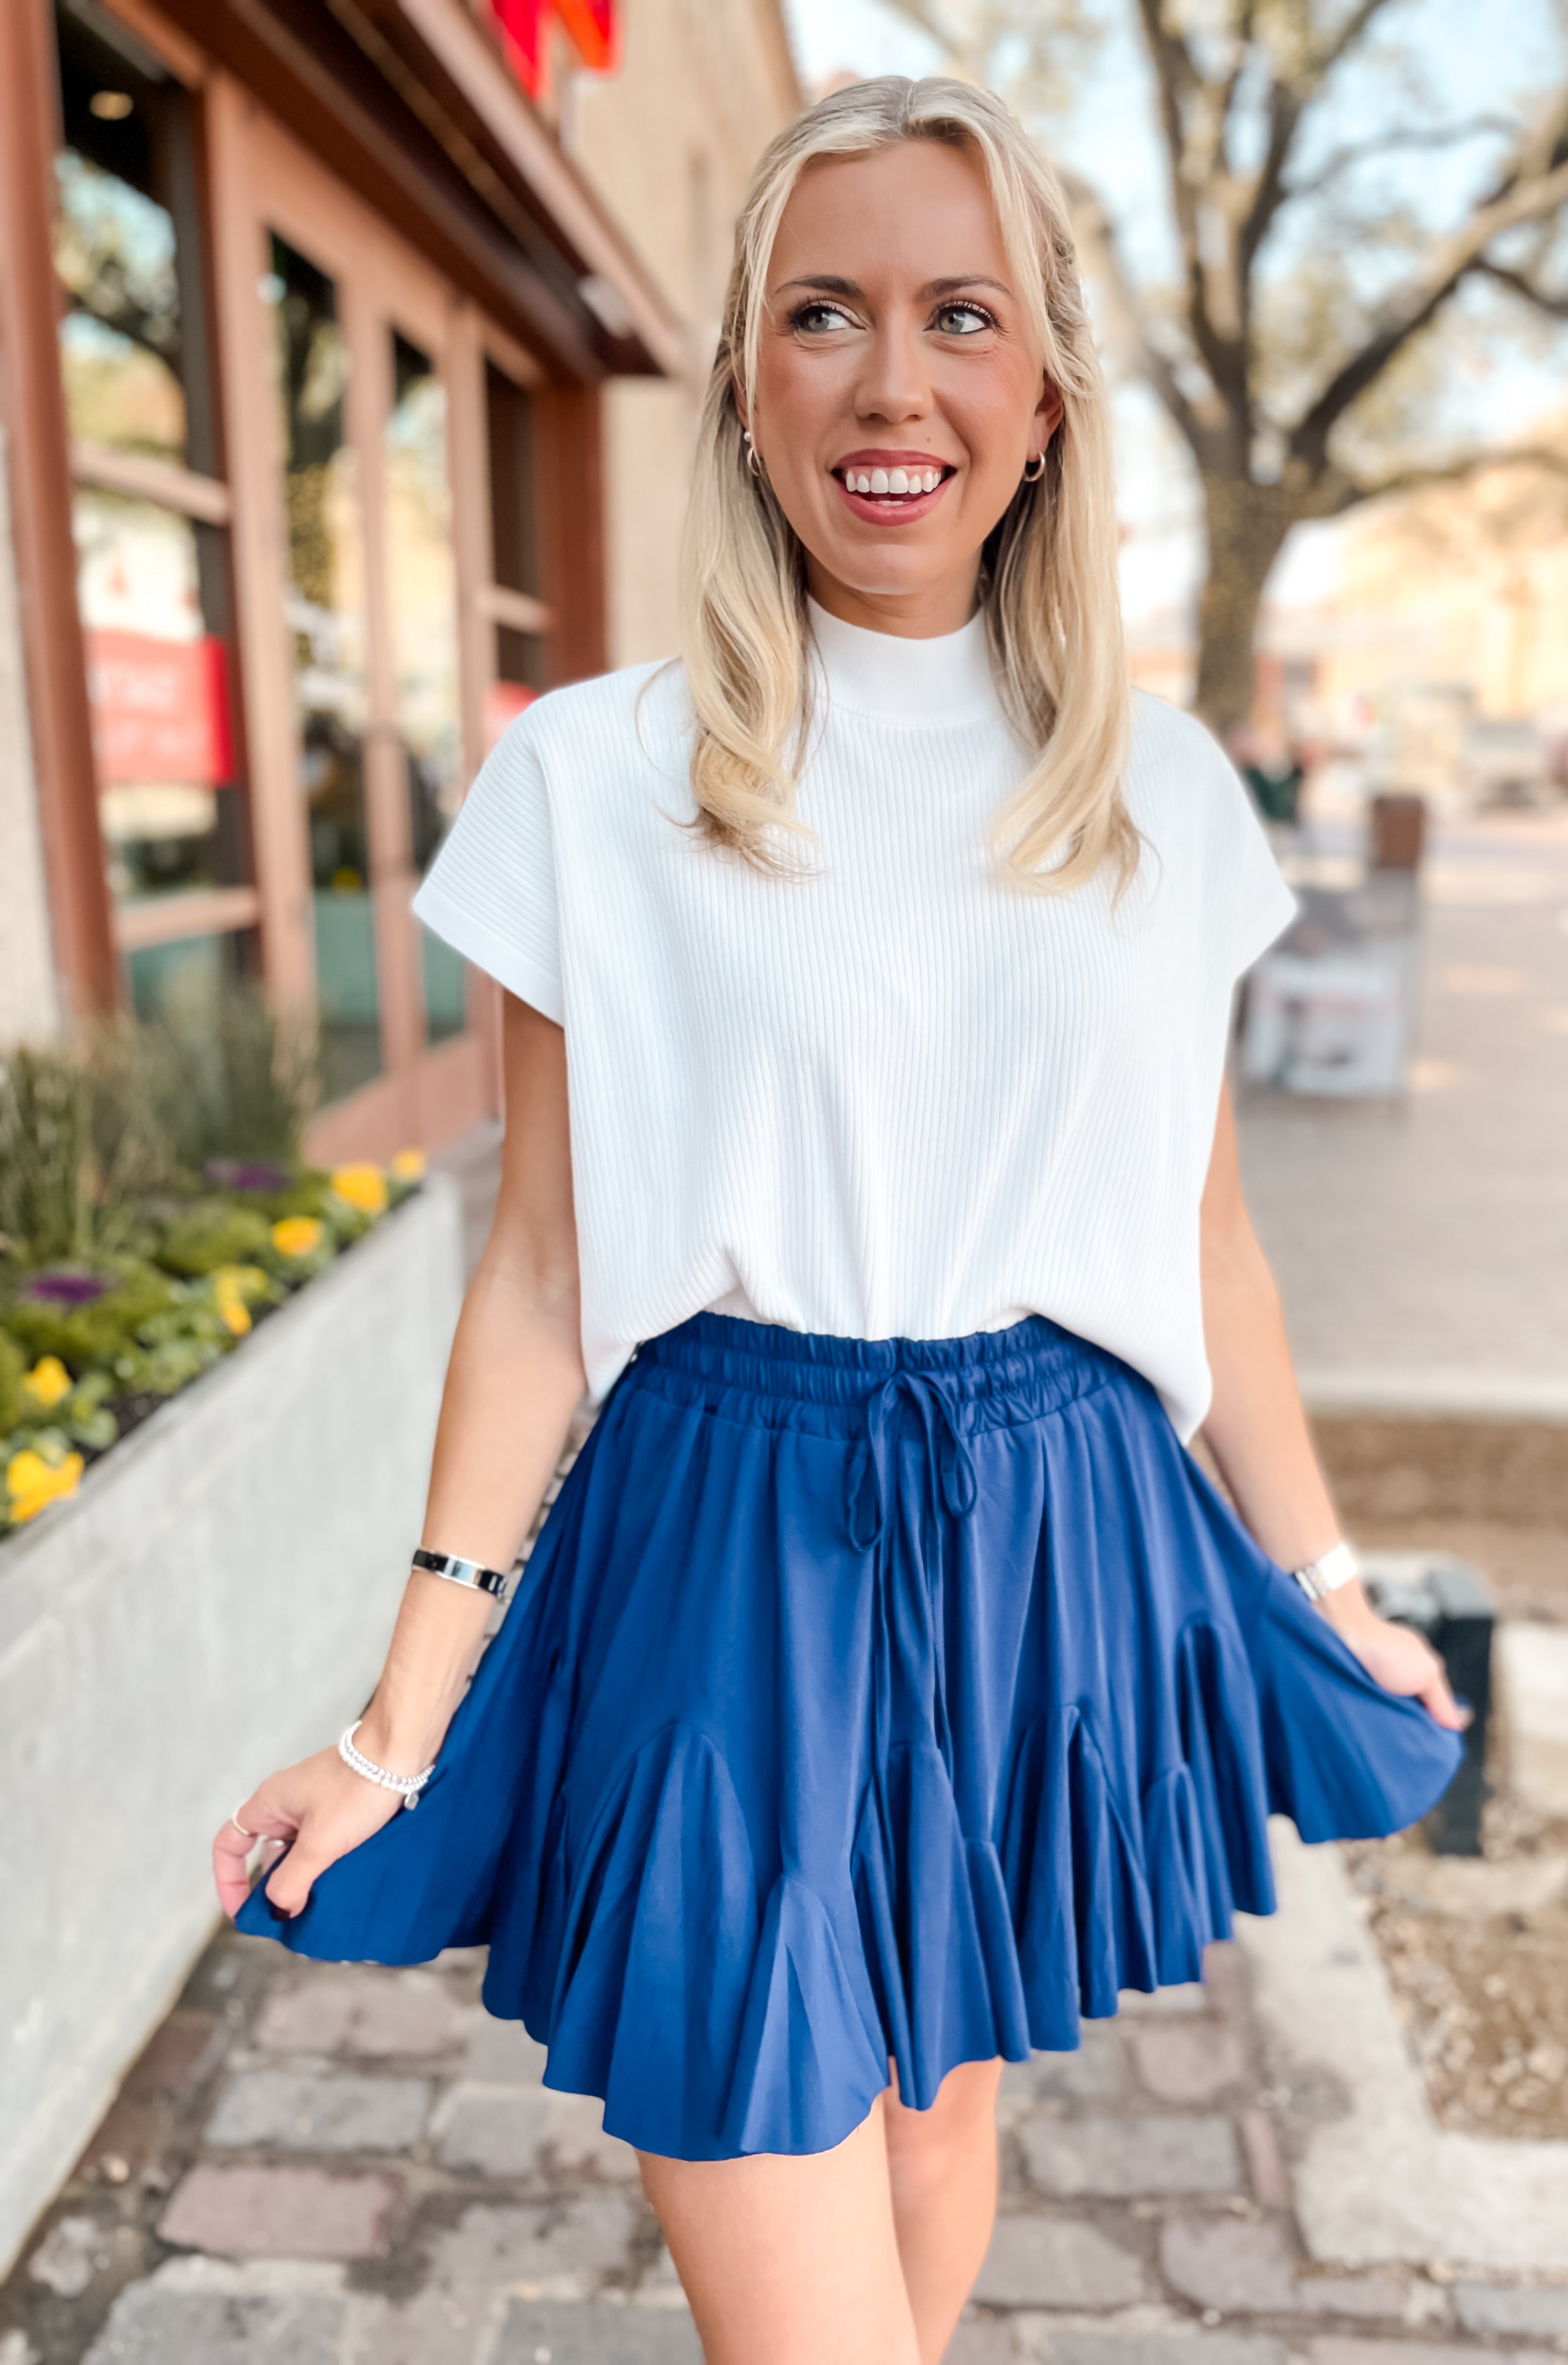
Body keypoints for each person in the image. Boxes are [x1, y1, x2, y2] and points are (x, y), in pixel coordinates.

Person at [216, 76, 1464, 2365]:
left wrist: (1333, 1591)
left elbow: (1209, 1255)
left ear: (1046, 394)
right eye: (826, 315)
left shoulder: (1161, 795)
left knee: (924, 2131)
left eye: (957, 315)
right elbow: (543, 1279)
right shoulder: (593, 779)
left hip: (1053, 1544)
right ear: (744, 380)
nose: (894, 384)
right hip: (724, 1551)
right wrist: (394, 1733)